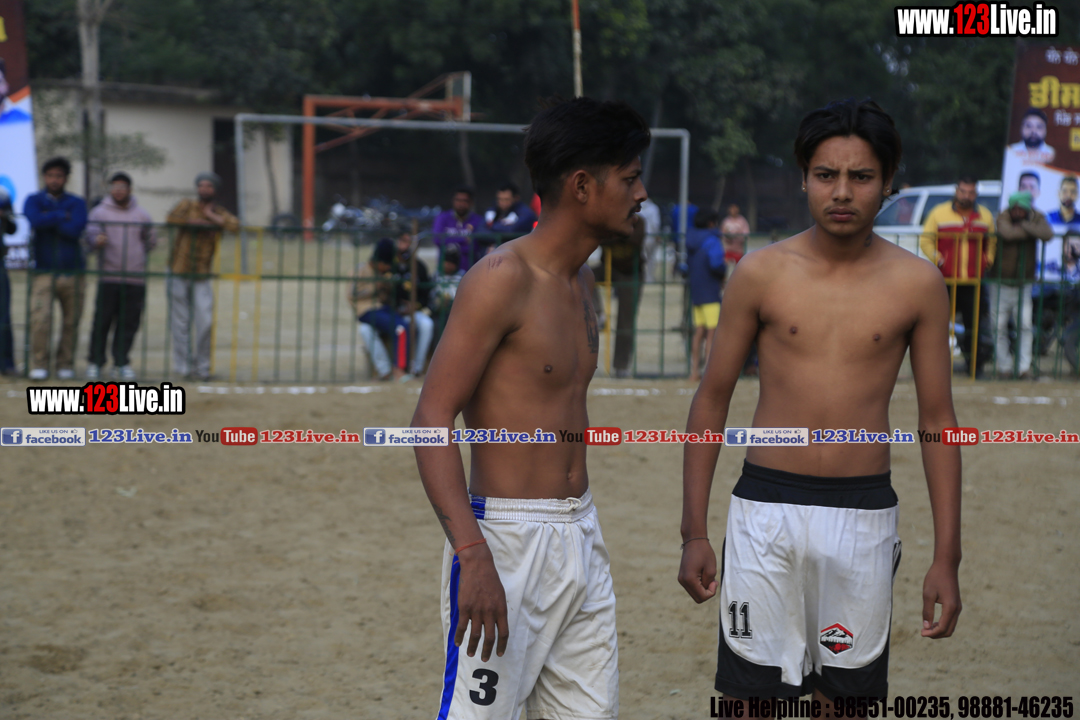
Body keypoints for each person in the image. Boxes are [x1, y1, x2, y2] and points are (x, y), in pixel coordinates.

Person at [680, 99, 961, 703]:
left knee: (847, 702)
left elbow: (938, 420)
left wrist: (948, 557)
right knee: (747, 702)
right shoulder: (760, 272)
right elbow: (712, 399)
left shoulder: (918, 283)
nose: (842, 192)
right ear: (804, 177)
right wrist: (692, 531)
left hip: (862, 515)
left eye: (861, 176)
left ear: (888, 182)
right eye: (826, 174)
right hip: (764, 511)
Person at [411, 96, 649, 720]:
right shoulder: (501, 277)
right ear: (581, 186)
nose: (642, 193)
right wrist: (472, 554)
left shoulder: (583, 281)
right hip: (504, 540)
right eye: (630, 178)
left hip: (581, 532)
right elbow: (431, 419)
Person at [919, 175, 996, 376]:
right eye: (963, 191)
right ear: (956, 191)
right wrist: (938, 259)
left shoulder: (985, 216)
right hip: (945, 280)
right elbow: (926, 240)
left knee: (974, 326)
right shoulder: (938, 213)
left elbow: (992, 242)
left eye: (971, 192)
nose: (966, 196)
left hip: (973, 281)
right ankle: (936, 366)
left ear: (976, 194)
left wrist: (987, 260)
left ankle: (975, 367)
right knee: (938, 325)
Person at [166, 172, 239, 380]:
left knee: (205, 321)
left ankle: (203, 368)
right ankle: (184, 368)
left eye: (209, 186)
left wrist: (211, 218)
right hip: (178, 269)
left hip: (202, 273)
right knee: (180, 323)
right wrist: (195, 222)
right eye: (201, 185)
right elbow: (171, 219)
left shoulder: (219, 212)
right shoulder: (186, 205)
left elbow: (234, 226)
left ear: (215, 190)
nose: (204, 189)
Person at [84, 172, 157, 380]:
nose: (118, 191)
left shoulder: (141, 214)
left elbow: (150, 240)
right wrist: (96, 241)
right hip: (108, 276)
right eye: (114, 187)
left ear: (129, 190)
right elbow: (90, 237)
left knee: (129, 323)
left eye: (122, 187)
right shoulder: (99, 213)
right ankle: (95, 362)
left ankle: (121, 362)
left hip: (135, 278)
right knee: (102, 321)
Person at [24, 157, 88, 380]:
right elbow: (34, 221)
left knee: (71, 322)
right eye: (50, 175)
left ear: (66, 178)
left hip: (73, 272)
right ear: (44, 177)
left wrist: (48, 218)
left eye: (59, 176)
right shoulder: (34, 200)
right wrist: (61, 215)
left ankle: (65, 364)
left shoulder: (77, 202)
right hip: (43, 271)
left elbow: (75, 229)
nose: (54, 180)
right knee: (40, 319)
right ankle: (39, 364)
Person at [990, 192, 1052, 379]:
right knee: (998, 327)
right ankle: (1004, 367)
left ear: (1028, 208)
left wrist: (1024, 225)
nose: (1016, 212)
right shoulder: (1003, 216)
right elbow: (1007, 234)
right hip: (1000, 282)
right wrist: (1030, 231)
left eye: (1021, 209)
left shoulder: (1037, 216)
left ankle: (1023, 368)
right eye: (1014, 208)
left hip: (1024, 283)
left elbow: (1047, 234)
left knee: (1024, 326)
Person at [348, 238, 408, 381]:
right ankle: (398, 370)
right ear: (379, 262)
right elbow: (353, 294)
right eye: (386, 265)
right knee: (399, 329)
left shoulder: (383, 273)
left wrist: (387, 286)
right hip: (366, 310)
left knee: (404, 326)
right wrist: (376, 286)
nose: (388, 268)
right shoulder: (360, 270)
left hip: (381, 308)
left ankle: (398, 369)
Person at [686, 210, 725, 381]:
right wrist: (724, 271)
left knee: (698, 331)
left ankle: (694, 371)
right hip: (710, 290)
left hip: (696, 290)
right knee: (711, 332)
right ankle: (709, 374)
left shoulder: (690, 240)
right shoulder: (712, 240)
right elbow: (716, 264)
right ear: (711, 223)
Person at [393, 227, 435, 377]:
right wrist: (398, 306)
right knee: (401, 327)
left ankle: (417, 368)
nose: (405, 245)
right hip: (394, 311)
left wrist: (415, 306)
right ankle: (399, 367)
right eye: (403, 241)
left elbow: (426, 294)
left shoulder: (419, 267)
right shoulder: (391, 265)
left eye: (409, 242)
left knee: (427, 325)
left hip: (414, 311)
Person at [432, 188, 485, 271]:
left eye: (464, 201)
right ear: (453, 201)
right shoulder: (442, 218)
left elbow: (475, 246)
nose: (461, 204)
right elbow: (437, 239)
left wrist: (450, 243)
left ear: (471, 202)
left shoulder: (478, 221)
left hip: (470, 271)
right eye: (458, 200)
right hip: (445, 272)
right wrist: (463, 240)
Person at [0, 186, 16, 375]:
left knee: (3, 316)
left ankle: (6, 362)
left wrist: (4, 216)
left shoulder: (2, 193)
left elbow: (12, 228)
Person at [720, 203, 750, 269]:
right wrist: (727, 237)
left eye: (735, 209)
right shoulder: (726, 221)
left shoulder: (742, 221)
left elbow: (746, 235)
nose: (733, 210)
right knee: (724, 268)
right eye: (732, 209)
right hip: (728, 249)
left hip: (739, 251)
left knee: (738, 269)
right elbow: (722, 234)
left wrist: (737, 235)